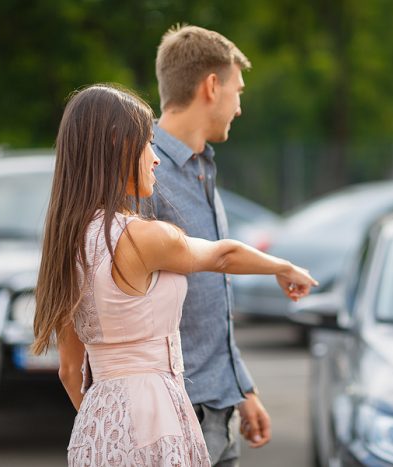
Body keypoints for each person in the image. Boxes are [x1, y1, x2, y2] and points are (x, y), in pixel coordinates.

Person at [31, 84, 317, 466]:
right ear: (118, 145)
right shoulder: (144, 237)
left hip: (94, 429)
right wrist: (283, 267)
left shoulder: (67, 241)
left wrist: (111, 427)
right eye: (147, 143)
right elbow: (222, 255)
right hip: (156, 419)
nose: (156, 160)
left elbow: (70, 371)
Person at [148, 25, 271, 465]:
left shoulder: (203, 168)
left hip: (219, 413)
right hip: (173, 418)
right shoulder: (144, 174)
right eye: (237, 90)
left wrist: (243, 387)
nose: (239, 106)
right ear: (212, 86)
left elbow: (208, 301)